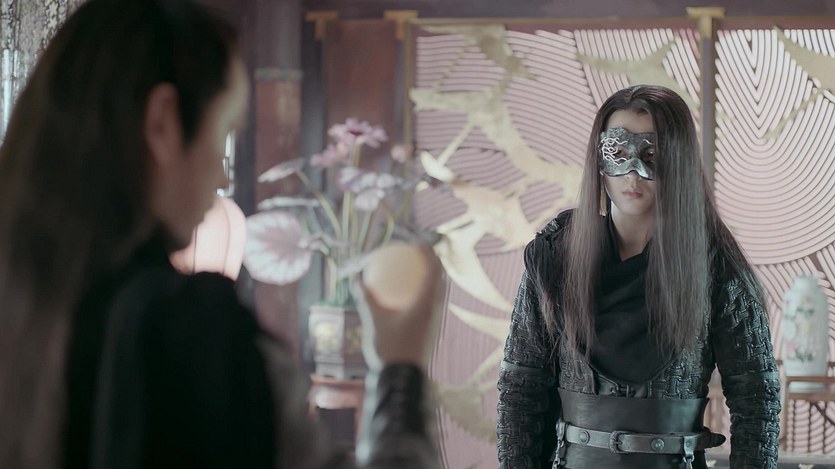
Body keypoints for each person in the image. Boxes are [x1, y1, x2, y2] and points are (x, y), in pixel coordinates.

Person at [0, 1, 444, 468]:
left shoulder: (21, 309)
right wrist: (401, 369)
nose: (221, 176)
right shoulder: (191, 340)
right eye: (223, 130)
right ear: (162, 122)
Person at [496, 85, 780, 469]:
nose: (632, 173)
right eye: (618, 152)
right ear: (600, 159)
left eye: (650, 154)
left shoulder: (717, 268)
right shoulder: (555, 257)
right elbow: (521, 389)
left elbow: (756, 399)